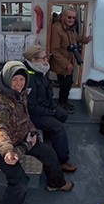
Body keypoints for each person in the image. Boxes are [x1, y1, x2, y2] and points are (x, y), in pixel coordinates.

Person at [0, 61, 73, 204]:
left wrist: (32, 133)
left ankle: (56, 183)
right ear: (7, 79)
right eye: (14, 79)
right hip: (2, 148)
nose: (19, 84)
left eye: (21, 79)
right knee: (20, 182)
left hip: (24, 138)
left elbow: (25, 117)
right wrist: (7, 150)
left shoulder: (21, 93)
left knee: (49, 153)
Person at [22, 44, 76, 173]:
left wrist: (53, 108)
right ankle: (62, 161)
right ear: (34, 60)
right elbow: (31, 107)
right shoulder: (29, 78)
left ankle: (50, 135)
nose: (46, 61)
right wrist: (50, 112)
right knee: (59, 128)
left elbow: (48, 94)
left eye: (46, 57)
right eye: (43, 58)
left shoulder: (40, 71)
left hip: (44, 108)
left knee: (63, 114)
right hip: (32, 115)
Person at [48, 8, 91, 111]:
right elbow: (54, 50)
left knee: (67, 83)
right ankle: (61, 104)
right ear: (63, 17)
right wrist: (66, 64)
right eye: (69, 17)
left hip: (69, 61)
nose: (71, 19)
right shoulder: (57, 28)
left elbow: (75, 37)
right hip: (61, 63)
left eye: (73, 18)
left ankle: (64, 102)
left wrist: (85, 39)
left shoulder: (70, 28)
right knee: (66, 83)